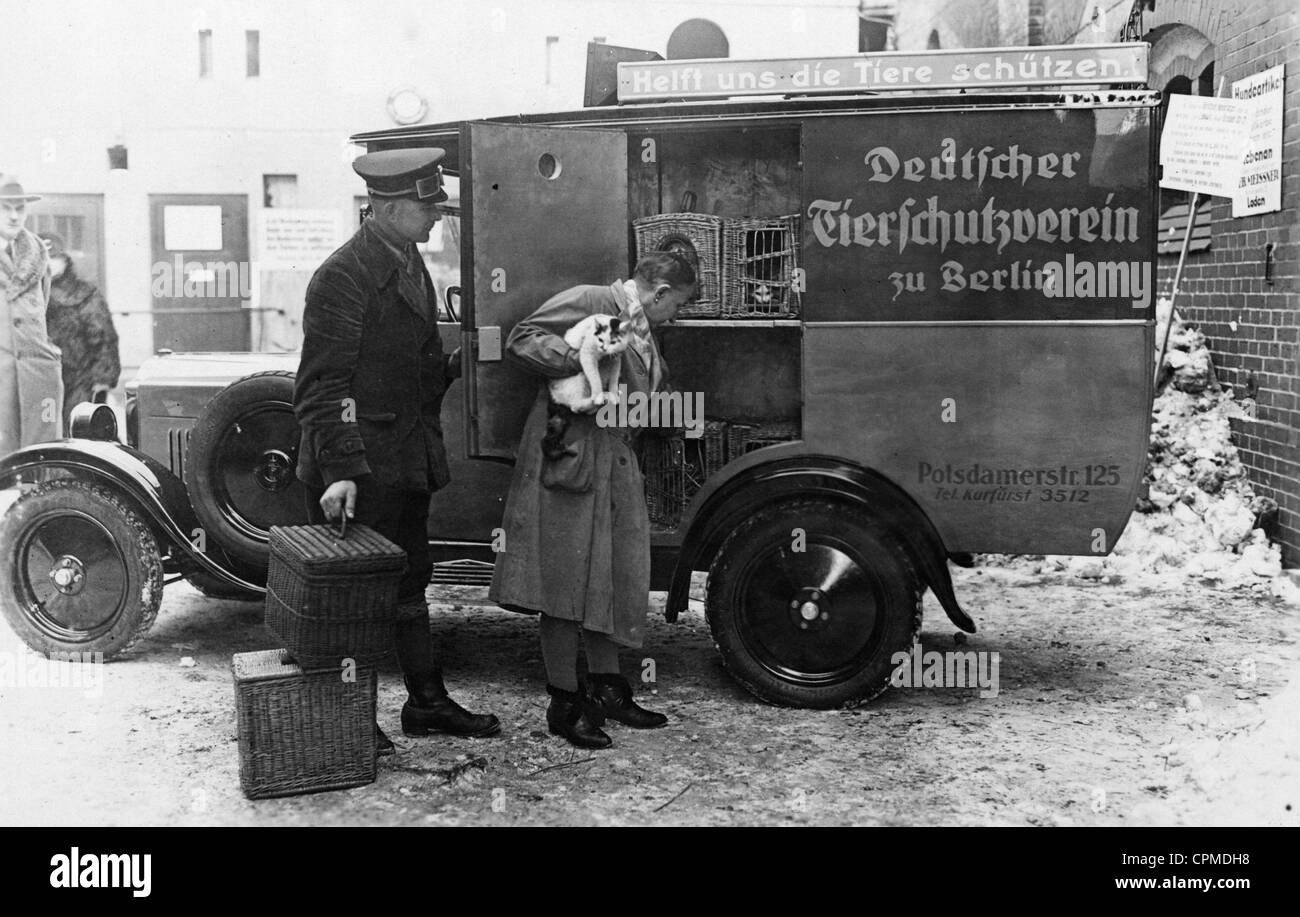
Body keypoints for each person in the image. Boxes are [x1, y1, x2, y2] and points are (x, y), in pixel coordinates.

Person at [294, 148, 499, 754]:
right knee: (354, 597)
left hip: (404, 461)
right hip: (359, 469)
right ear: (385, 207)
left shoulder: (407, 260)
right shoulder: (343, 276)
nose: (436, 215)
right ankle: (349, 716)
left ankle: (426, 703)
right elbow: (320, 387)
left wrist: (458, 365)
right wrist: (340, 471)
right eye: (426, 205)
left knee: (410, 581)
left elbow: (408, 368)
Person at [489, 252, 697, 749]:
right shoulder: (593, 301)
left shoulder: (642, 328)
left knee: (610, 576)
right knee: (563, 584)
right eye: (679, 305)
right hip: (572, 458)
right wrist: (579, 357)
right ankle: (563, 703)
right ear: (660, 292)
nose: (679, 315)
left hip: (613, 459)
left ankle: (608, 689)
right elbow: (520, 338)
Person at [0, 174, 63, 456]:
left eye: (20, 208)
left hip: (37, 375)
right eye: (5, 208)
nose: (14, 217)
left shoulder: (37, 252)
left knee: (40, 461)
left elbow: (43, 309)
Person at [39, 232, 120, 429]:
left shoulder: (84, 293)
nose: (51, 264)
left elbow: (103, 336)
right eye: (46, 259)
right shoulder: (31, 295)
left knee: (79, 430)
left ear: (65, 261)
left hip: (80, 378)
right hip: (43, 379)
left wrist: (103, 377)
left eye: (56, 258)